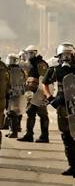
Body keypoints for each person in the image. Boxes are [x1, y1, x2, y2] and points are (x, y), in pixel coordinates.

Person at [43, 43, 75, 176]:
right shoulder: (55, 70)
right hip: (62, 105)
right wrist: (50, 98)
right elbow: (45, 83)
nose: (66, 58)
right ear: (59, 57)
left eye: (69, 55)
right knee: (66, 136)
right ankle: (72, 165)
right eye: (64, 55)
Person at [18, 45, 49, 143]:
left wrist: (42, 95)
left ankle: (44, 136)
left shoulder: (40, 64)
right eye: (28, 53)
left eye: (31, 53)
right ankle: (29, 135)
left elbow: (44, 80)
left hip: (40, 93)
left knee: (42, 114)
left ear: (35, 53)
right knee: (30, 112)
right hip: (31, 93)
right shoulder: (30, 64)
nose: (29, 55)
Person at [5, 53, 26, 138]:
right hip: (19, 93)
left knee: (11, 112)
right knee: (16, 111)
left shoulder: (8, 70)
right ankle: (15, 128)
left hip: (11, 92)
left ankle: (13, 131)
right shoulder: (20, 70)